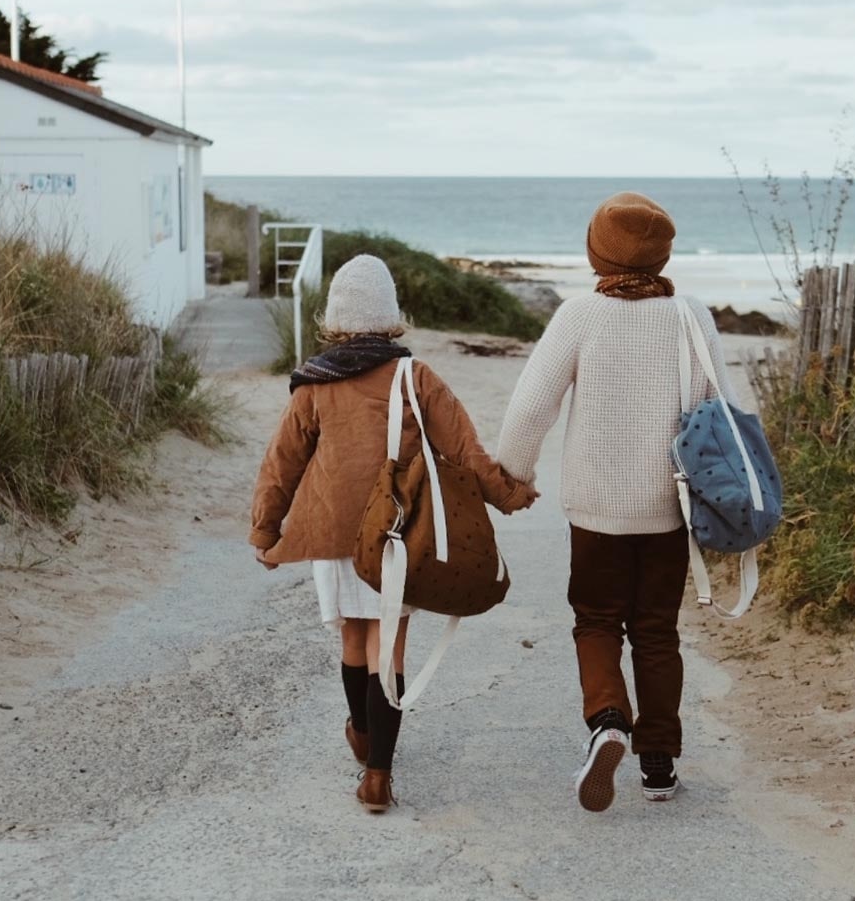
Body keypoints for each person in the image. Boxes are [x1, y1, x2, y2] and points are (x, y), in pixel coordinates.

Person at [249, 254, 535, 813]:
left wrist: (265, 530)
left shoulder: (314, 384)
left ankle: (360, 731)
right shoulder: (415, 376)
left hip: (335, 536)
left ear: (334, 319)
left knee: (353, 640)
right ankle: (378, 775)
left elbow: (280, 463)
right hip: (397, 536)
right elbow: (465, 450)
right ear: (391, 316)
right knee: (390, 648)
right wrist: (508, 494)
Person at [496, 192, 741, 811]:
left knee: (598, 619)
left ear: (596, 252)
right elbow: (723, 408)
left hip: (596, 508)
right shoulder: (692, 316)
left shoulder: (580, 315)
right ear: (662, 255)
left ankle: (607, 721)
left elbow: (531, 408)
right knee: (657, 632)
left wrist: (513, 477)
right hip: (671, 505)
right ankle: (658, 766)